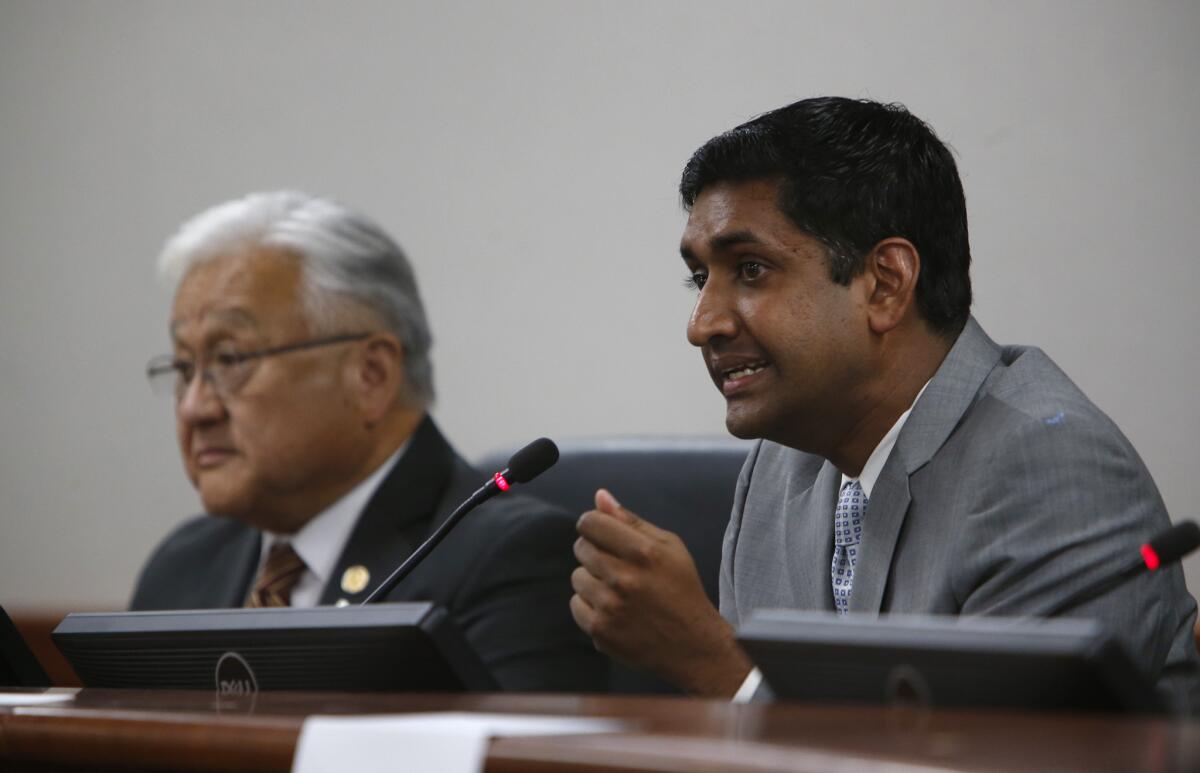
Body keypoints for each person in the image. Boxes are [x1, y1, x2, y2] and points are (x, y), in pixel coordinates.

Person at [569, 97, 1199, 708]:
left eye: (751, 269)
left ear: (886, 284)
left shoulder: (1051, 468)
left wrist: (712, 665)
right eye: (700, 278)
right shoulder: (778, 468)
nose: (701, 323)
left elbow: (986, 762)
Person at [131, 191, 603, 692]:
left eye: (229, 361)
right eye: (184, 369)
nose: (194, 408)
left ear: (371, 376)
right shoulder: (182, 568)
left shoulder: (508, 563)